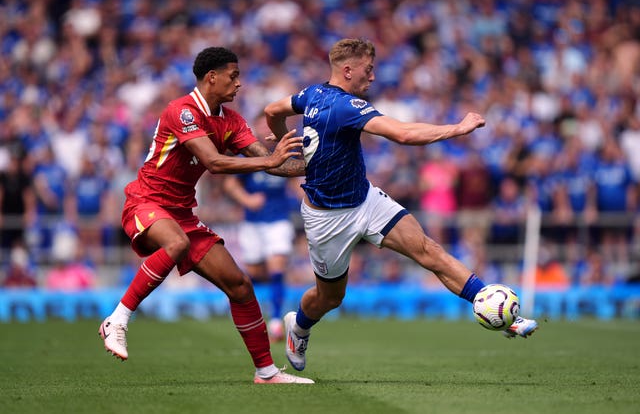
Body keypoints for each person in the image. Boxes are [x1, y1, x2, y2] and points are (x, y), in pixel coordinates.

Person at [263, 38, 539, 372]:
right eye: (368, 69)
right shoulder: (345, 106)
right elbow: (404, 135)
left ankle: (495, 307)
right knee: (329, 298)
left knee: (427, 250)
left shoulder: (310, 94)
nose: (373, 77)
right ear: (347, 70)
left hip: (364, 200)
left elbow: (272, 111)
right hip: (326, 218)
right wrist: (457, 128)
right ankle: (300, 326)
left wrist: (282, 142)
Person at [98, 47, 313, 384]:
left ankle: (266, 372)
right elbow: (214, 162)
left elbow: (273, 163)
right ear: (212, 77)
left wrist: (315, 162)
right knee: (176, 243)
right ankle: (118, 319)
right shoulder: (182, 111)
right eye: (234, 75)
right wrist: (270, 161)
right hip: (146, 201)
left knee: (240, 285)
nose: (239, 83)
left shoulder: (231, 120)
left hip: (181, 213)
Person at [223, 114, 302, 342]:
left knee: (277, 266)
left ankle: (276, 320)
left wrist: (307, 198)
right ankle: (253, 316)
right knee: (255, 272)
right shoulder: (247, 155)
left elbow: (295, 182)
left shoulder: (286, 154)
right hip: (253, 222)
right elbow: (230, 183)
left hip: (278, 220)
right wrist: (247, 200)